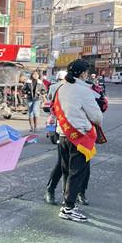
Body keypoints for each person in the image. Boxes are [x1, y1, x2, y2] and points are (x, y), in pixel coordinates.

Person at [52, 59, 103, 222]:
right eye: (86, 72)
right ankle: (68, 208)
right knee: (76, 173)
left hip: (63, 135)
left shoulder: (60, 88)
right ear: (82, 74)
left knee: (67, 171)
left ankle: (68, 202)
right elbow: (97, 117)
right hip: (79, 138)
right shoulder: (84, 91)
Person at [44, 70, 67, 205]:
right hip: (62, 129)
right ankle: (51, 189)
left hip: (78, 132)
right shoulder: (55, 88)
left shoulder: (81, 89)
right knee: (61, 164)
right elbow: (49, 104)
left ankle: (75, 194)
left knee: (79, 167)